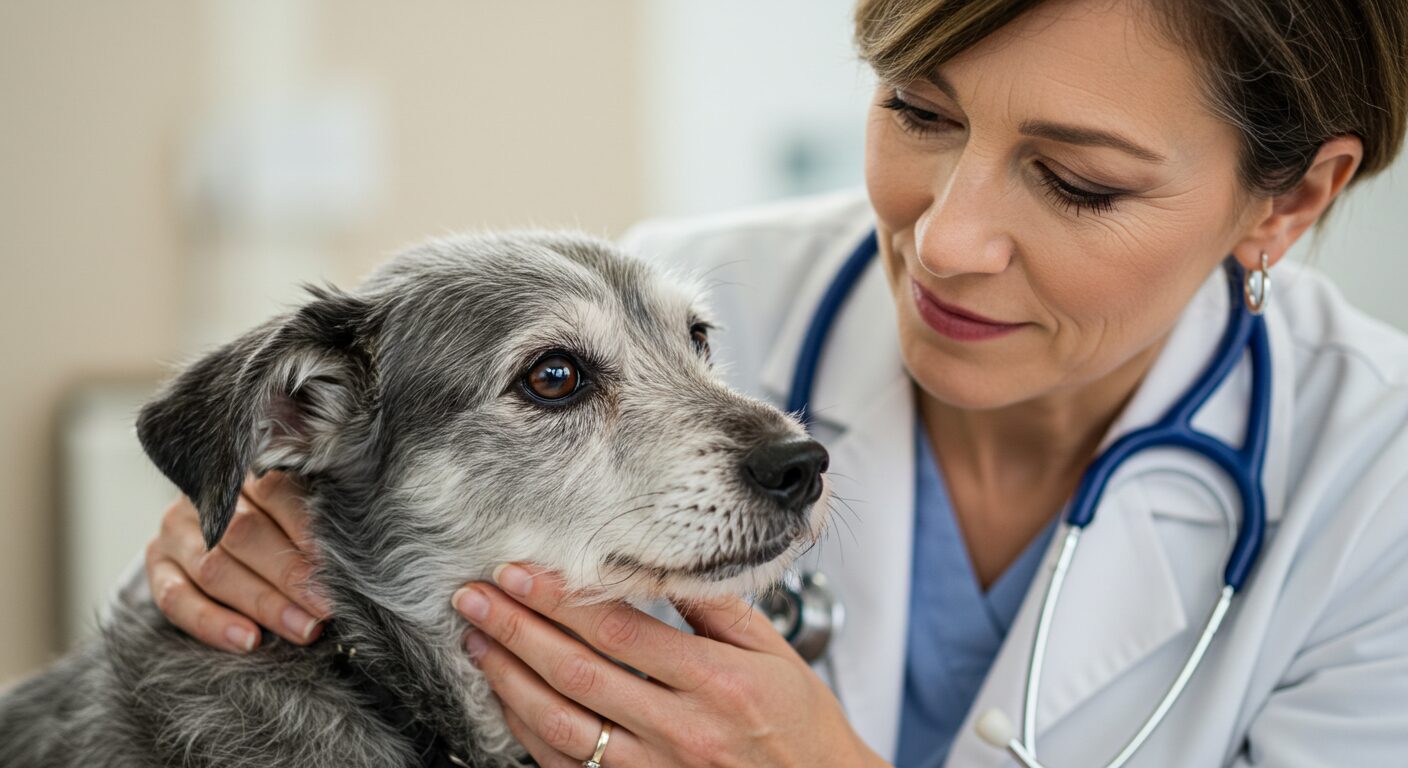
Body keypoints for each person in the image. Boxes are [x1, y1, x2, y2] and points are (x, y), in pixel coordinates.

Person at [138, 0, 1408, 765]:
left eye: (1077, 181)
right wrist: (248, 548)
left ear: (1289, 201)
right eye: (918, 111)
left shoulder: (1375, 481)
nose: (948, 241)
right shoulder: (694, 291)